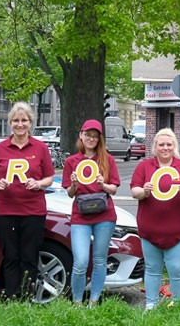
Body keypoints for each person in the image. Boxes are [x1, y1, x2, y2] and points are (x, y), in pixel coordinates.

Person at [0, 103, 55, 302]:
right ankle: (12, 297)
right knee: (10, 256)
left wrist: (38, 183)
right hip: (5, 210)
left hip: (33, 210)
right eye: (16, 120)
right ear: (10, 123)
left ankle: (27, 298)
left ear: (30, 123)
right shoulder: (0, 148)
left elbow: (49, 178)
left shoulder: (40, 148)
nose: (20, 124)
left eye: (24, 120)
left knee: (29, 256)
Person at [131, 129, 180, 309]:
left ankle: (178, 306)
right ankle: (151, 305)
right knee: (152, 270)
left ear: (174, 147)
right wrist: (144, 191)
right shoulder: (144, 167)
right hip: (150, 231)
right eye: (161, 144)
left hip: (177, 231)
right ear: (155, 147)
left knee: (177, 270)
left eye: (169, 144)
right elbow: (135, 192)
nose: (165, 148)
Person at [63, 119, 119, 305]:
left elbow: (114, 190)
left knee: (100, 260)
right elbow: (70, 194)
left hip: (104, 216)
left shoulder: (107, 159)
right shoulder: (71, 161)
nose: (91, 139)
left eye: (95, 136)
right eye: (88, 135)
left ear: (99, 139)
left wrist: (103, 184)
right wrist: (74, 184)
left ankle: (94, 301)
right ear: (81, 135)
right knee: (80, 262)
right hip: (80, 216)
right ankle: (77, 302)